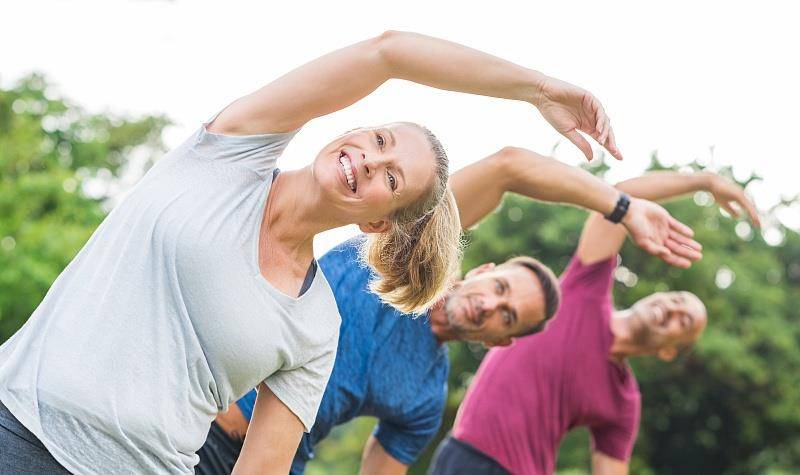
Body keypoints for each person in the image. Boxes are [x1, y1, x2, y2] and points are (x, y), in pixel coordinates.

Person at [0, 31, 670, 474]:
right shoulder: (231, 152)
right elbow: (389, 55)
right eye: (378, 139)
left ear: (383, 220)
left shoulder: (333, 330)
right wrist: (540, 91)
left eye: (390, 177)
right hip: (23, 421)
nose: (370, 160)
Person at [195, 146, 703, 475]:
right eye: (500, 287)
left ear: (498, 342)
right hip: (196, 424)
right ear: (480, 270)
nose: (492, 304)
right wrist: (623, 207)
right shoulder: (399, 256)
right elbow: (508, 167)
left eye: (507, 316)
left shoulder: (423, 397)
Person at [429, 169, 760, 475]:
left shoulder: (623, 400)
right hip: (462, 453)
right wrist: (703, 181)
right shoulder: (586, 289)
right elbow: (620, 197)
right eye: (675, 299)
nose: (671, 309)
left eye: (683, 320)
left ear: (669, 351)